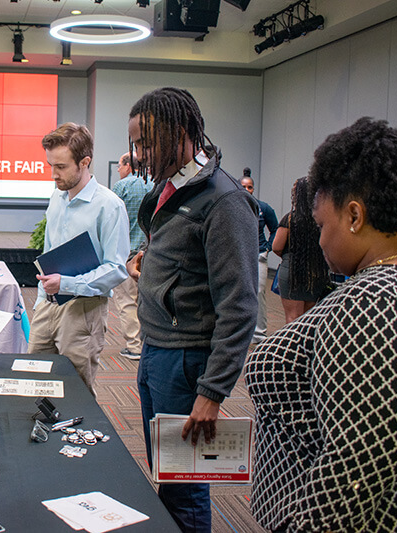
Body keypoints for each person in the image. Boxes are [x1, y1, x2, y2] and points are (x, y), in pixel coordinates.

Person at [245, 117, 397, 532]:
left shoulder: (377, 300)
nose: (319, 240)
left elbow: (352, 474)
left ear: (354, 214)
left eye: (322, 225)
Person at [127, 87, 258, 532]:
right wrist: (149, 265)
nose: (139, 155)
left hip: (187, 364)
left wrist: (212, 392)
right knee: (168, 474)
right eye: (136, 146)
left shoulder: (223, 200)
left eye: (146, 144)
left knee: (184, 487)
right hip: (157, 351)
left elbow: (239, 308)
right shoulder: (176, 185)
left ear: (180, 133)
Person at [27, 122, 130, 394]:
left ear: (85, 162)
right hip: (48, 304)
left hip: (84, 310)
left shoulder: (109, 206)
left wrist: (68, 284)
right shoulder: (56, 199)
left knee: (75, 390)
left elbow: (117, 268)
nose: (53, 174)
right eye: (51, 165)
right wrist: (40, 302)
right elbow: (49, 253)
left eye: (61, 167)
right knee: (33, 381)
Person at [271, 176, 331, 323]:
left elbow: (276, 247)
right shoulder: (321, 220)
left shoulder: (290, 219)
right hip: (315, 273)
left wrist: (288, 257)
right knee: (309, 318)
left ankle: (292, 345)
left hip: (292, 272)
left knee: (292, 317)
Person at [111, 152, 153, 359]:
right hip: (150, 254)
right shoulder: (153, 185)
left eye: (119, 166)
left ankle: (134, 346)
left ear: (128, 166)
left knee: (127, 301)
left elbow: (109, 220)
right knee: (146, 302)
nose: (118, 170)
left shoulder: (121, 187)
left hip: (126, 254)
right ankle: (147, 343)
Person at [240, 168, 279, 343]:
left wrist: (267, 249)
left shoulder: (263, 208)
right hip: (240, 256)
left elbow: (275, 229)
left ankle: (260, 333)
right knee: (240, 293)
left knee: (258, 292)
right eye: (243, 187)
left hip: (258, 256)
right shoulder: (233, 206)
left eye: (249, 187)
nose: (246, 190)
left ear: (253, 189)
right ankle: (242, 331)